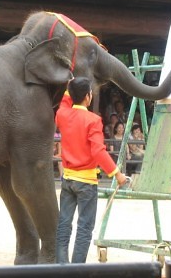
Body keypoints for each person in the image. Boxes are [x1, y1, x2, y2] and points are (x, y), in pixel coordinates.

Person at [55, 77, 127, 264]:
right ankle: (76, 270)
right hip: (86, 182)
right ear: (88, 96)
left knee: (64, 225)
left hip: (68, 179)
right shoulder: (93, 120)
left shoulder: (62, 115)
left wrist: (68, 88)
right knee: (84, 228)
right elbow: (97, 151)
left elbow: (64, 103)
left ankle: (61, 269)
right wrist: (117, 173)